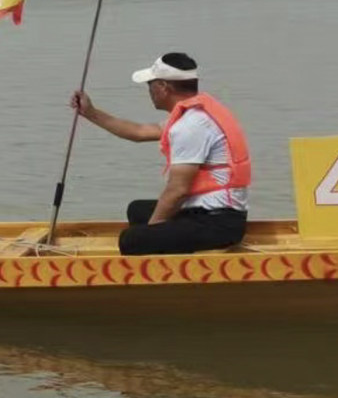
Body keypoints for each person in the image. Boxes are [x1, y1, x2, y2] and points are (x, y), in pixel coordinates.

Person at [73, 53, 250, 256]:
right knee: (137, 210)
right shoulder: (196, 114)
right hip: (208, 211)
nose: (149, 91)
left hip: (219, 223)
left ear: (164, 87)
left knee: (131, 240)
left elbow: (177, 191)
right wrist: (90, 112)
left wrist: (152, 230)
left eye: (151, 84)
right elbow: (139, 132)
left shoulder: (191, 126)